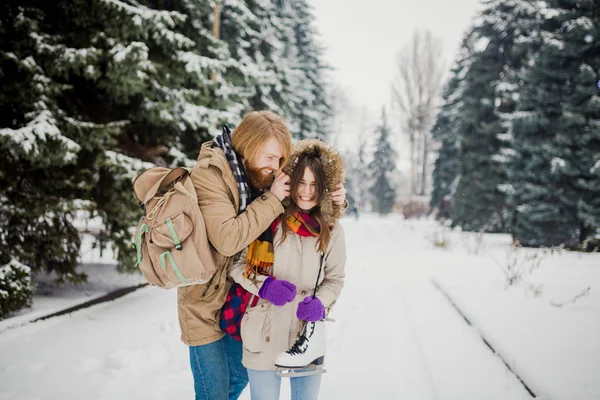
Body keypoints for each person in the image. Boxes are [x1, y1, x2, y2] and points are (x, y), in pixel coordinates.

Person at [179, 111, 347, 400]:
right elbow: (230, 242)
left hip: (237, 304)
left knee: (237, 380)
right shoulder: (212, 175)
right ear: (248, 145)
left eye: (280, 160)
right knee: (214, 393)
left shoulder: (257, 174)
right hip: (206, 302)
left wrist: (336, 200)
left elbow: (309, 191)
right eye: (269, 157)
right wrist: (264, 285)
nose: (275, 167)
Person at [228, 139, 347, 400]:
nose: (306, 192)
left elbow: (335, 279)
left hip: (305, 338)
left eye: (314, 184)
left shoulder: (331, 229)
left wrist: (321, 304)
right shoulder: (267, 217)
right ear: (290, 182)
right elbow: (237, 265)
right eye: (301, 183)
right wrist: (266, 286)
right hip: (264, 332)